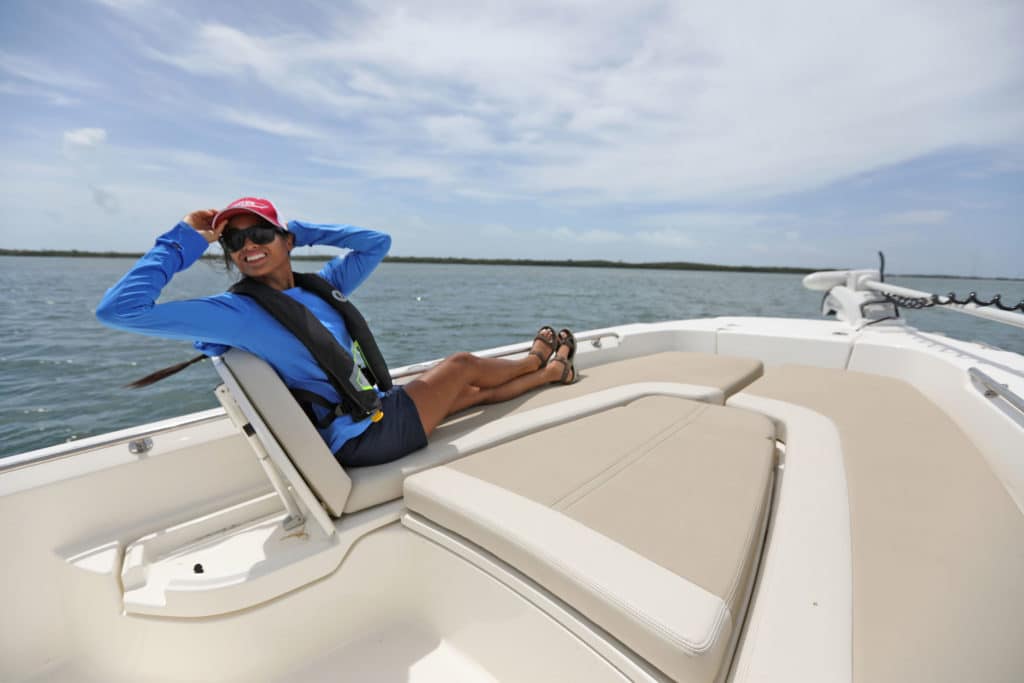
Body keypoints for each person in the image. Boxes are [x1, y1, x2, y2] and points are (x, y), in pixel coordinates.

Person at [96, 197, 578, 468]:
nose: (248, 246)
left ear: (285, 242)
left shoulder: (322, 287)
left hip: (370, 418)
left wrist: (297, 229)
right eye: (235, 241)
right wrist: (181, 239)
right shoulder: (234, 312)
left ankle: (550, 375)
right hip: (358, 438)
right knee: (462, 367)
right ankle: (536, 361)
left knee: (467, 395)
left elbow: (376, 244)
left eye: (261, 234)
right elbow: (120, 309)